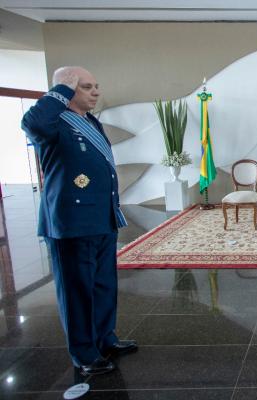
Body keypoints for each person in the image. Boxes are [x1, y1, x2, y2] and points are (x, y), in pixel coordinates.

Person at [21, 66, 137, 375]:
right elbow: (31, 124)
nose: (96, 91)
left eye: (96, 85)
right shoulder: (53, 122)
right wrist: (60, 90)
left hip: (101, 217)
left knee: (102, 285)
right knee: (77, 291)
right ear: (68, 92)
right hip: (71, 222)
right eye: (86, 87)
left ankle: (104, 339)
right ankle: (84, 353)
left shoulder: (89, 122)